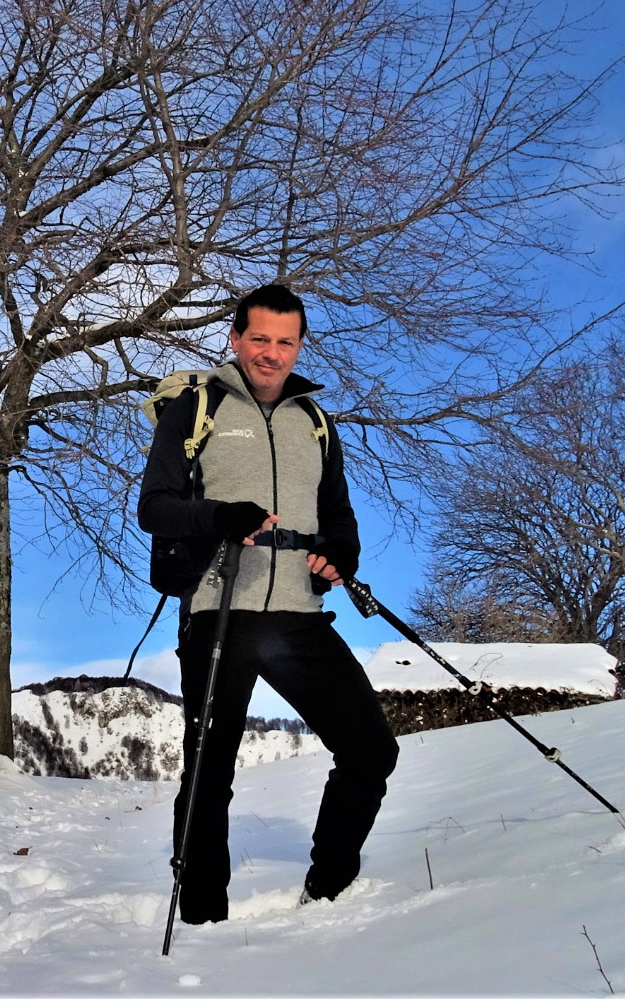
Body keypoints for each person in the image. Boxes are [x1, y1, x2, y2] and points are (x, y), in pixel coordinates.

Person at [137, 283, 398, 925]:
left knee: (370, 749)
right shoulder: (195, 408)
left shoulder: (315, 420)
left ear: (299, 345)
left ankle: (329, 890)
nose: (271, 353)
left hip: (298, 616)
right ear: (235, 339)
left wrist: (341, 554)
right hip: (218, 607)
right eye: (260, 338)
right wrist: (223, 515)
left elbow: (338, 515)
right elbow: (155, 507)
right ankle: (201, 916)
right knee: (209, 770)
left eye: (285, 341)